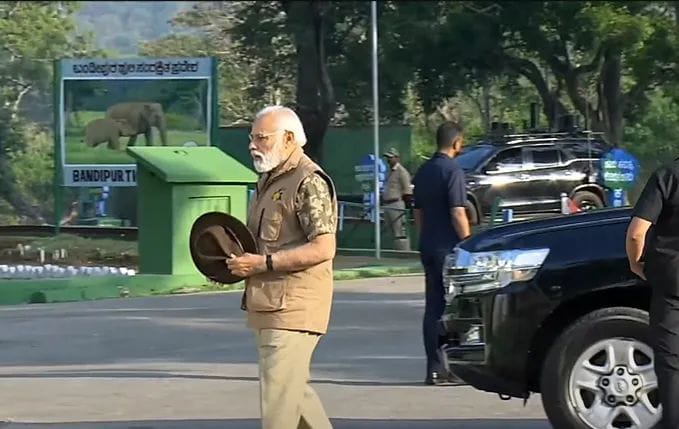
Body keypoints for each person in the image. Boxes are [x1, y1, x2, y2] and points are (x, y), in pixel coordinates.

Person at [226, 105, 338, 429]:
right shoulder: (271, 180)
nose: (252, 145)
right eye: (252, 137)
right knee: (294, 395)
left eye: (261, 138)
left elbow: (324, 247)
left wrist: (264, 263)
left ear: (288, 138)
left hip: (294, 308)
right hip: (269, 305)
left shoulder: (308, 181)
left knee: (278, 407)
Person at [412, 121, 471, 385]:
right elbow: (458, 211)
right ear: (457, 143)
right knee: (455, 308)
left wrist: (426, 237)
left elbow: (418, 214)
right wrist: (468, 242)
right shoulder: (454, 171)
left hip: (429, 246)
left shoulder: (423, 171)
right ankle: (455, 367)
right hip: (450, 249)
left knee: (433, 308)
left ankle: (434, 368)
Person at [626, 161, 679, 429]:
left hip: (673, 285)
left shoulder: (668, 175)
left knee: (672, 365)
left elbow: (637, 233)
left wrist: (637, 263)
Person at [382, 147, 413, 251]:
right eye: (387, 157)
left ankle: (404, 254)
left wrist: (406, 208)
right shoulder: (389, 171)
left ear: (397, 158)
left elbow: (407, 191)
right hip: (387, 205)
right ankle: (394, 255)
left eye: (390, 157)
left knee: (399, 232)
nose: (388, 160)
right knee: (390, 232)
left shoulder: (402, 172)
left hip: (397, 204)